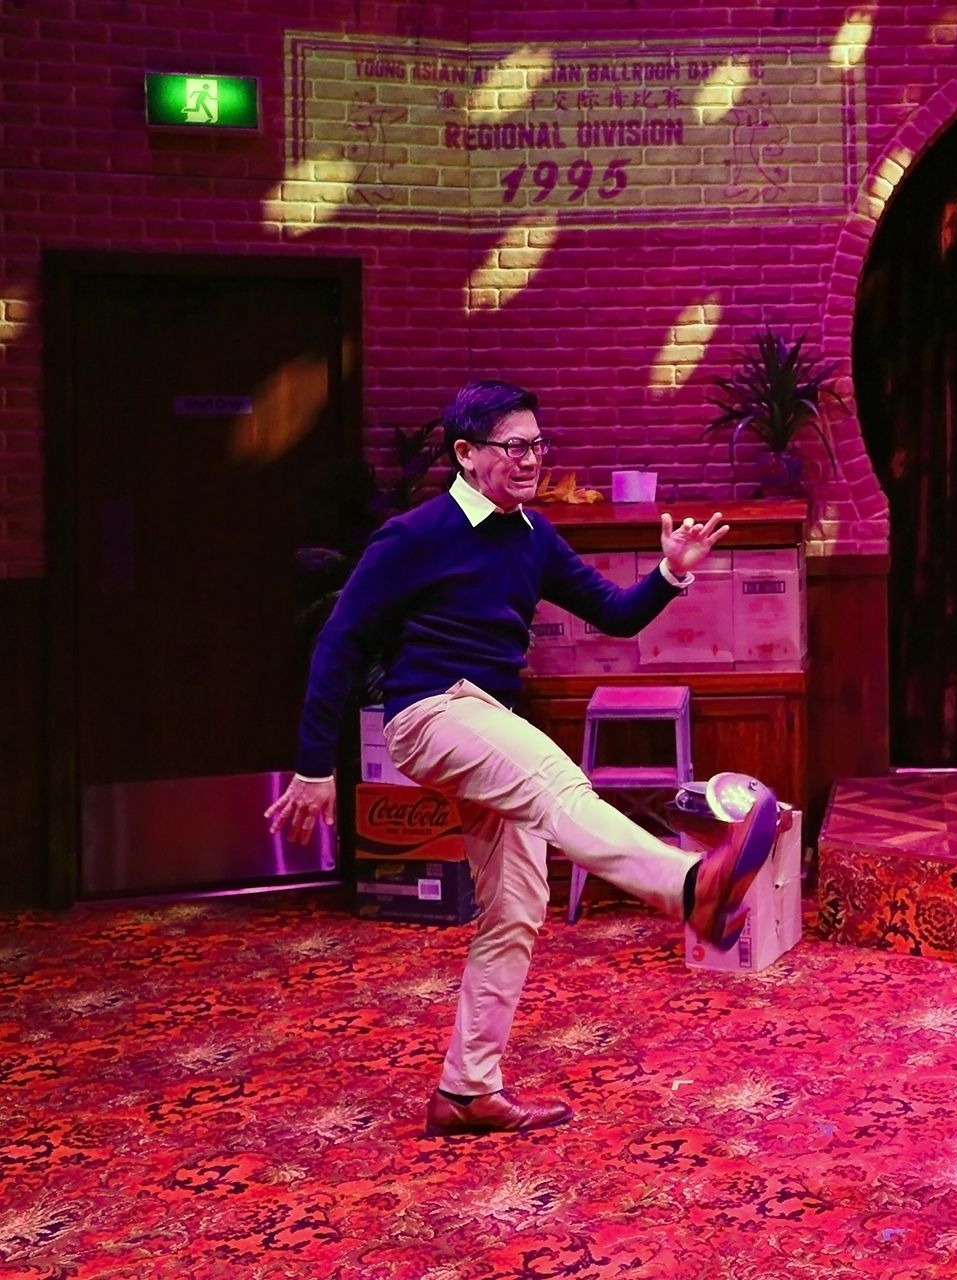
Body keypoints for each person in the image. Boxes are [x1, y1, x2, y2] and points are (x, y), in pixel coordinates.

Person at [265, 379, 779, 1138]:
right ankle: (687, 887)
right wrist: (315, 767)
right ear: (466, 454)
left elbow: (614, 614)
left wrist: (671, 572)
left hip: (489, 720)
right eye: (514, 446)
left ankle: (466, 1090)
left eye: (538, 445)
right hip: (431, 712)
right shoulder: (414, 535)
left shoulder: (533, 535)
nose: (531, 459)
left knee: (516, 905)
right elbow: (339, 641)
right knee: (555, 782)